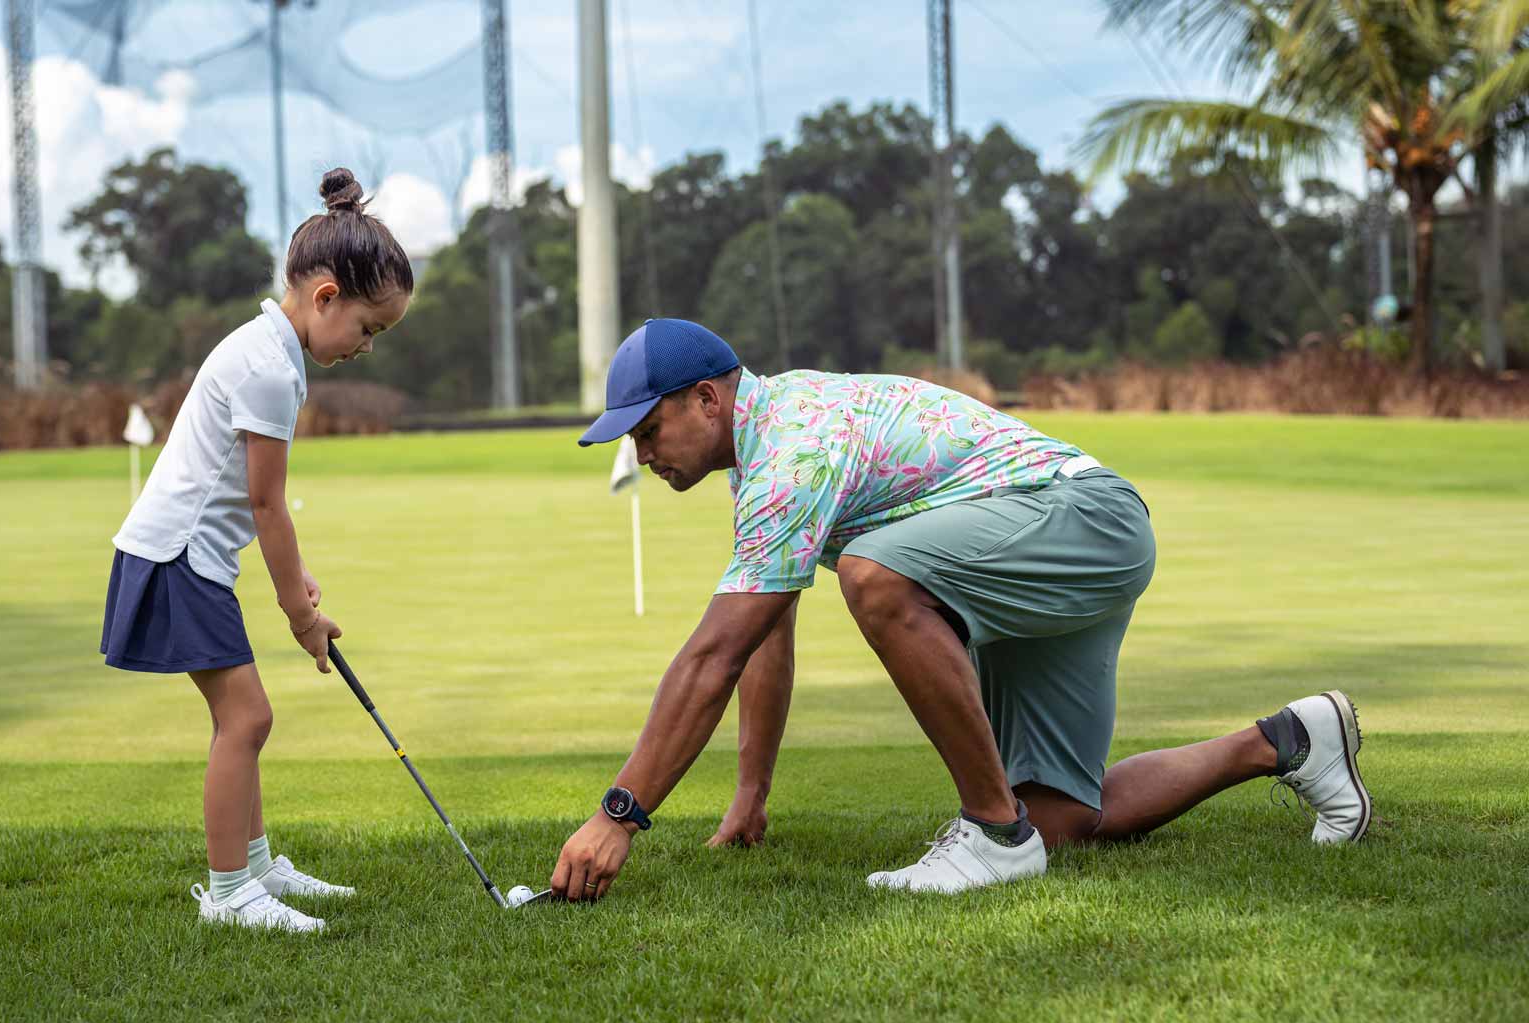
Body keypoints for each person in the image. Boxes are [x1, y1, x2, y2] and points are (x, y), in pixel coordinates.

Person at [550, 319, 1370, 900]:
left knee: (874, 577)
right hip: (1055, 544)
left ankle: (991, 834)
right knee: (1061, 820)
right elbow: (765, 637)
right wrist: (749, 795)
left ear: (705, 400)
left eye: (649, 430)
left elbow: (712, 656)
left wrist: (620, 815)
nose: (643, 454)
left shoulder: (794, 450)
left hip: (1084, 520)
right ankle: (1290, 741)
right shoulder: (765, 454)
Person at [99, 169, 412, 933]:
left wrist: (294, 580)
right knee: (247, 719)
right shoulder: (271, 370)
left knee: (243, 717)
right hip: (175, 558)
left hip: (188, 557)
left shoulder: (268, 350)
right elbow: (267, 503)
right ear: (326, 297)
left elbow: (250, 499)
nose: (367, 347)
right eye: (369, 329)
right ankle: (231, 892)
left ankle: (258, 867)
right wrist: (299, 616)